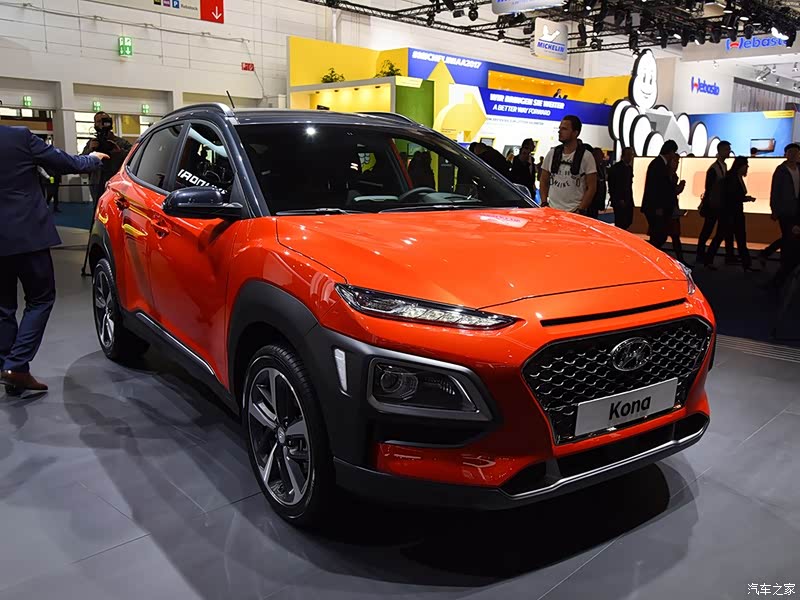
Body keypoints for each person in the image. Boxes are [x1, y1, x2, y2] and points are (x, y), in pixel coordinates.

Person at [0, 126, 107, 394]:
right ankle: (16, 366)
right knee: (41, 299)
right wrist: (92, 159)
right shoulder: (18, 137)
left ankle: (9, 369)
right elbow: (65, 163)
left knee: (3, 307)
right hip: (27, 234)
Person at [704, 156, 757, 271]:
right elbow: (733, 197)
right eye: (746, 165)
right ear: (741, 166)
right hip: (732, 213)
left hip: (728, 213)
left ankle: (709, 260)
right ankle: (746, 264)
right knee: (739, 238)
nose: (747, 167)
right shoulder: (734, 178)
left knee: (721, 236)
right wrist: (745, 198)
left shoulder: (730, 177)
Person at [539, 115, 597, 214]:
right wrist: (544, 203)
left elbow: (592, 187)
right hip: (552, 211)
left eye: (564, 129)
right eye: (560, 128)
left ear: (575, 133)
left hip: (574, 212)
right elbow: (543, 180)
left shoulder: (586, 156)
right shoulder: (552, 153)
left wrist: (581, 209)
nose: (559, 131)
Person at [766, 143, 800, 289]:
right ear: (786, 154)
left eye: (796, 153)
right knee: (788, 237)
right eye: (791, 152)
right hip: (785, 210)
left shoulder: (798, 168)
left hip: (797, 210)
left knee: (789, 238)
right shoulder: (781, 170)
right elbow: (775, 191)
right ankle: (783, 267)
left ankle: (779, 262)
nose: (794, 155)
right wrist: (774, 209)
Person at [696, 140, 735, 265]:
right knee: (707, 230)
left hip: (718, 204)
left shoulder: (722, 166)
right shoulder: (714, 168)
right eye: (727, 149)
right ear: (721, 150)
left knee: (712, 230)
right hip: (713, 205)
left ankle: (703, 254)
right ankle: (701, 254)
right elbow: (709, 188)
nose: (729, 152)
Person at [81, 112, 132, 205]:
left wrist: (119, 152)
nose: (101, 124)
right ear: (94, 124)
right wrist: (90, 149)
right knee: (97, 207)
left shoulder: (121, 143)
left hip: (116, 182)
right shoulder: (92, 143)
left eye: (104, 121)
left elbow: (133, 159)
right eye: (98, 121)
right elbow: (82, 161)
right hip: (96, 182)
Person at [641, 140, 679, 249]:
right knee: (659, 235)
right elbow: (655, 188)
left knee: (659, 235)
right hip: (656, 208)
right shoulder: (659, 165)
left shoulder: (659, 164)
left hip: (656, 207)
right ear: (670, 152)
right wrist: (658, 207)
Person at [608, 147, 635, 230]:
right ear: (623, 155)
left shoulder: (629, 168)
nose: (630, 157)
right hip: (619, 199)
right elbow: (613, 185)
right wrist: (619, 198)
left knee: (628, 220)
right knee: (620, 221)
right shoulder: (616, 168)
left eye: (631, 155)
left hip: (628, 198)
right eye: (628, 155)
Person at [667, 153, 687, 264]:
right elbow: (671, 192)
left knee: (674, 236)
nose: (677, 164)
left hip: (671, 209)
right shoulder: (668, 175)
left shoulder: (673, 175)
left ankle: (681, 259)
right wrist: (680, 187)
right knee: (671, 235)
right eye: (675, 161)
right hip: (669, 209)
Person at [588, 146, 607, 219]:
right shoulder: (590, 168)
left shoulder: (601, 167)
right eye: (600, 155)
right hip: (591, 201)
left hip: (598, 199)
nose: (602, 157)